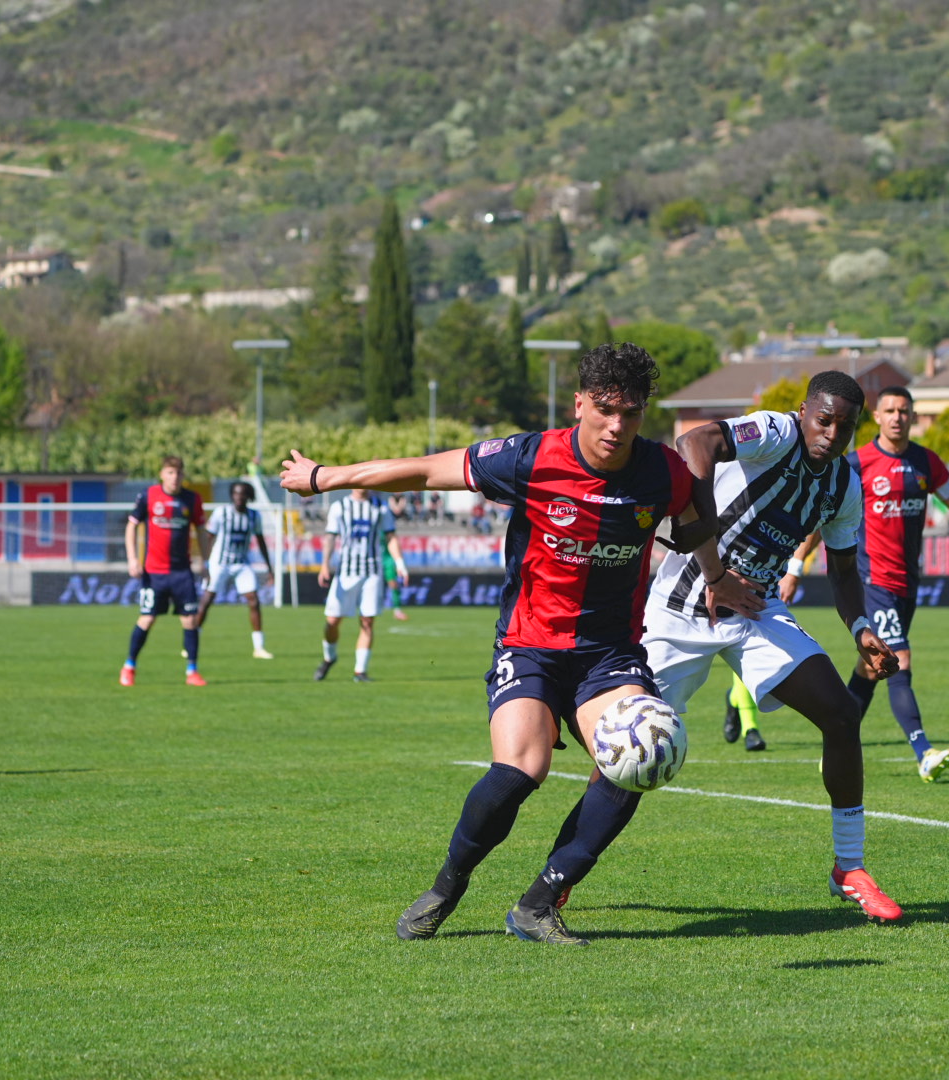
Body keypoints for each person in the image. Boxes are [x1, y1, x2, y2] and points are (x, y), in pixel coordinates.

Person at [281, 343, 711, 945]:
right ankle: (446, 886)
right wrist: (327, 478)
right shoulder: (532, 457)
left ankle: (539, 902)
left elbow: (696, 510)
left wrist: (720, 579)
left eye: (632, 413)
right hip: (531, 643)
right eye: (606, 409)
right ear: (580, 403)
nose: (617, 425)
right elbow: (428, 468)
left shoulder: (660, 470)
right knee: (521, 769)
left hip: (610, 653)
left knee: (633, 761)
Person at [643, 370, 905, 920]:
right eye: (824, 419)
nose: (832, 433)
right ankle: (559, 877)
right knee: (634, 751)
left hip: (758, 609)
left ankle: (849, 868)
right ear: (805, 411)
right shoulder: (775, 432)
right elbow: (695, 442)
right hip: (683, 605)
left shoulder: (843, 485)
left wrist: (860, 627)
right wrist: (710, 555)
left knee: (839, 713)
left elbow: (841, 570)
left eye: (846, 426)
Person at [780, 385, 949, 784]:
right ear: (878, 417)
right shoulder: (857, 464)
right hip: (871, 580)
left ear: (912, 416)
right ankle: (924, 752)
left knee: (870, 668)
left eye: (904, 411)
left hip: (907, 584)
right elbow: (822, 520)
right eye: (889, 410)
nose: (897, 417)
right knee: (899, 660)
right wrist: (796, 567)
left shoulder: (926, 462)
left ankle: (837, 744)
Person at [119, 455, 211, 687]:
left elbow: (201, 531)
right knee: (147, 618)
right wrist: (132, 559)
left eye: (178, 473)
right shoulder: (148, 496)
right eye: (170, 472)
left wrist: (206, 562)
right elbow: (131, 526)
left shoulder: (191, 499)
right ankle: (129, 666)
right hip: (154, 572)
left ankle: (192, 671)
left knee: (190, 620)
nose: (174, 477)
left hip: (182, 572)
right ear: (162, 474)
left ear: (183, 476)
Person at [315, 488, 407, 683]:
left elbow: (390, 536)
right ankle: (329, 657)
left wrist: (400, 563)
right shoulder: (339, 506)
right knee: (332, 621)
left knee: (367, 621)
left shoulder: (380, 507)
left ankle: (360, 671)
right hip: (345, 572)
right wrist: (324, 565)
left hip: (372, 572)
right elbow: (330, 537)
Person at [197, 481, 277, 659]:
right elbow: (208, 537)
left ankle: (259, 648)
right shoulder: (221, 513)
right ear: (232, 495)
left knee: (254, 601)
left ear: (248, 496)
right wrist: (205, 563)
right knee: (207, 600)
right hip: (220, 563)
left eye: (242, 494)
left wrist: (269, 568)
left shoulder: (254, 516)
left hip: (241, 563)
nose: (238, 497)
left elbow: (261, 541)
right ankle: (192, 641)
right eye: (235, 493)